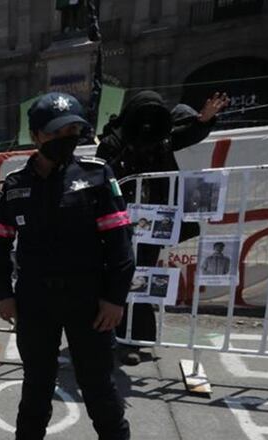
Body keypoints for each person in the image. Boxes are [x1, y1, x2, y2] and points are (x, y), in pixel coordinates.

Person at [0, 92, 139, 440]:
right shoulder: (15, 184)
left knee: (97, 380)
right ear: (37, 135)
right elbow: (0, 242)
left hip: (88, 299)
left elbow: (120, 244)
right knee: (37, 377)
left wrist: (115, 298)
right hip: (34, 299)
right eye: (60, 130)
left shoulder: (95, 175)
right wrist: (5, 292)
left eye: (75, 128)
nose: (70, 136)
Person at [96, 90, 228, 365]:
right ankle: (110, 336)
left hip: (155, 224)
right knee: (116, 280)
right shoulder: (113, 140)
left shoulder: (163, 138)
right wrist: (125, 151)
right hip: (119, 224)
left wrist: (203, 121)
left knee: (143, 277)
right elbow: (102, 172)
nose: (146, 123)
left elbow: (188, 134)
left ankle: (136, 338)